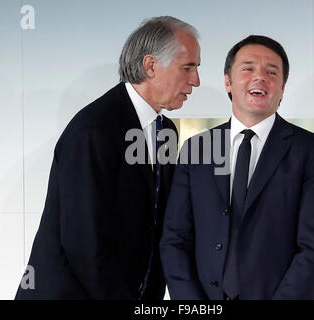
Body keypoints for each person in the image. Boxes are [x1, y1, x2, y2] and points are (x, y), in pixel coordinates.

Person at [15, 16, 200, 300]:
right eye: (188, 68)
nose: (196, 81)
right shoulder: (94, 130)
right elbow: (84, 244)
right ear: (151, 66)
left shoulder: (166, 131)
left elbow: (158, 228)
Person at [160, 35, 314, 300]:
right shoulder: (197, 149)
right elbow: (175, 240)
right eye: (248, 68)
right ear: (228, 82)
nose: (260, 77)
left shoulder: (310, 150)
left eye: (271, 72)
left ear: (282, 88)